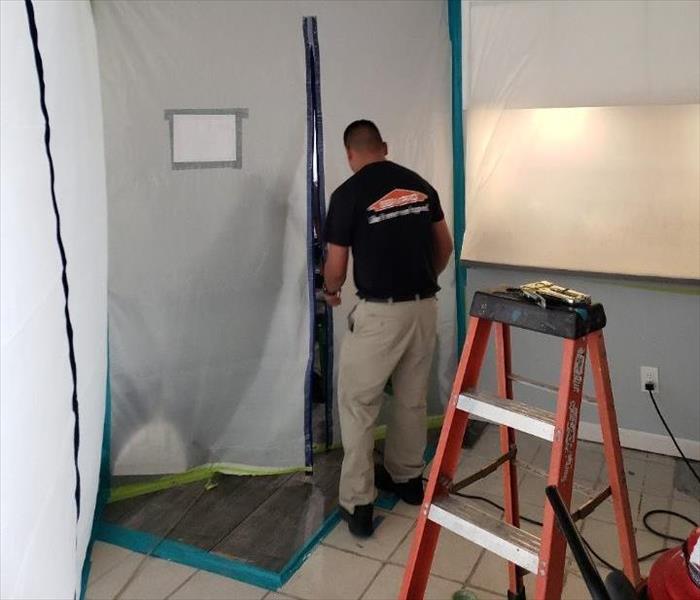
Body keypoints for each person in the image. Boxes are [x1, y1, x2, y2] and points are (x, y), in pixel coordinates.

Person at [323, 120, 453, 537]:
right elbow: (445, 245)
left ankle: (359, 505)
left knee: (359, 406)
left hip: (381, 315)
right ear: (384, 146)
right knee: (412, 399)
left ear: (350, 154)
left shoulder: (347, 195)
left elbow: (337, 266)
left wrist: (331, 290)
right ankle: (407, 479)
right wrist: (421, 282)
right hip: (423, 309)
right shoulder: (420, 185)